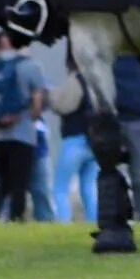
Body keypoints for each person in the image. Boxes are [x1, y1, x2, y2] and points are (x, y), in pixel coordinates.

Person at [0, 30, 49, 221]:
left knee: (3, 181)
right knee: (19, 182)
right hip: (22, 133)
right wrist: (32, 116)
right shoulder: (31, 66)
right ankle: (16, 217)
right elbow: (38, 101)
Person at [52, 63, 98, 222]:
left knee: (60, 188)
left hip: (74, 140)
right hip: (94, 142)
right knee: (89, 187)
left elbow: (63, 106)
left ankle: (63, 222)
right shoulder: (98, 80)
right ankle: (95, 222)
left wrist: (52, 97)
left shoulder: (77, 80)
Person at [113, 54, 140, 219]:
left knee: (121, 170)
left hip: (121, 116)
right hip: (139, 117)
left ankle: (125, 213)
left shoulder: (112, 58)